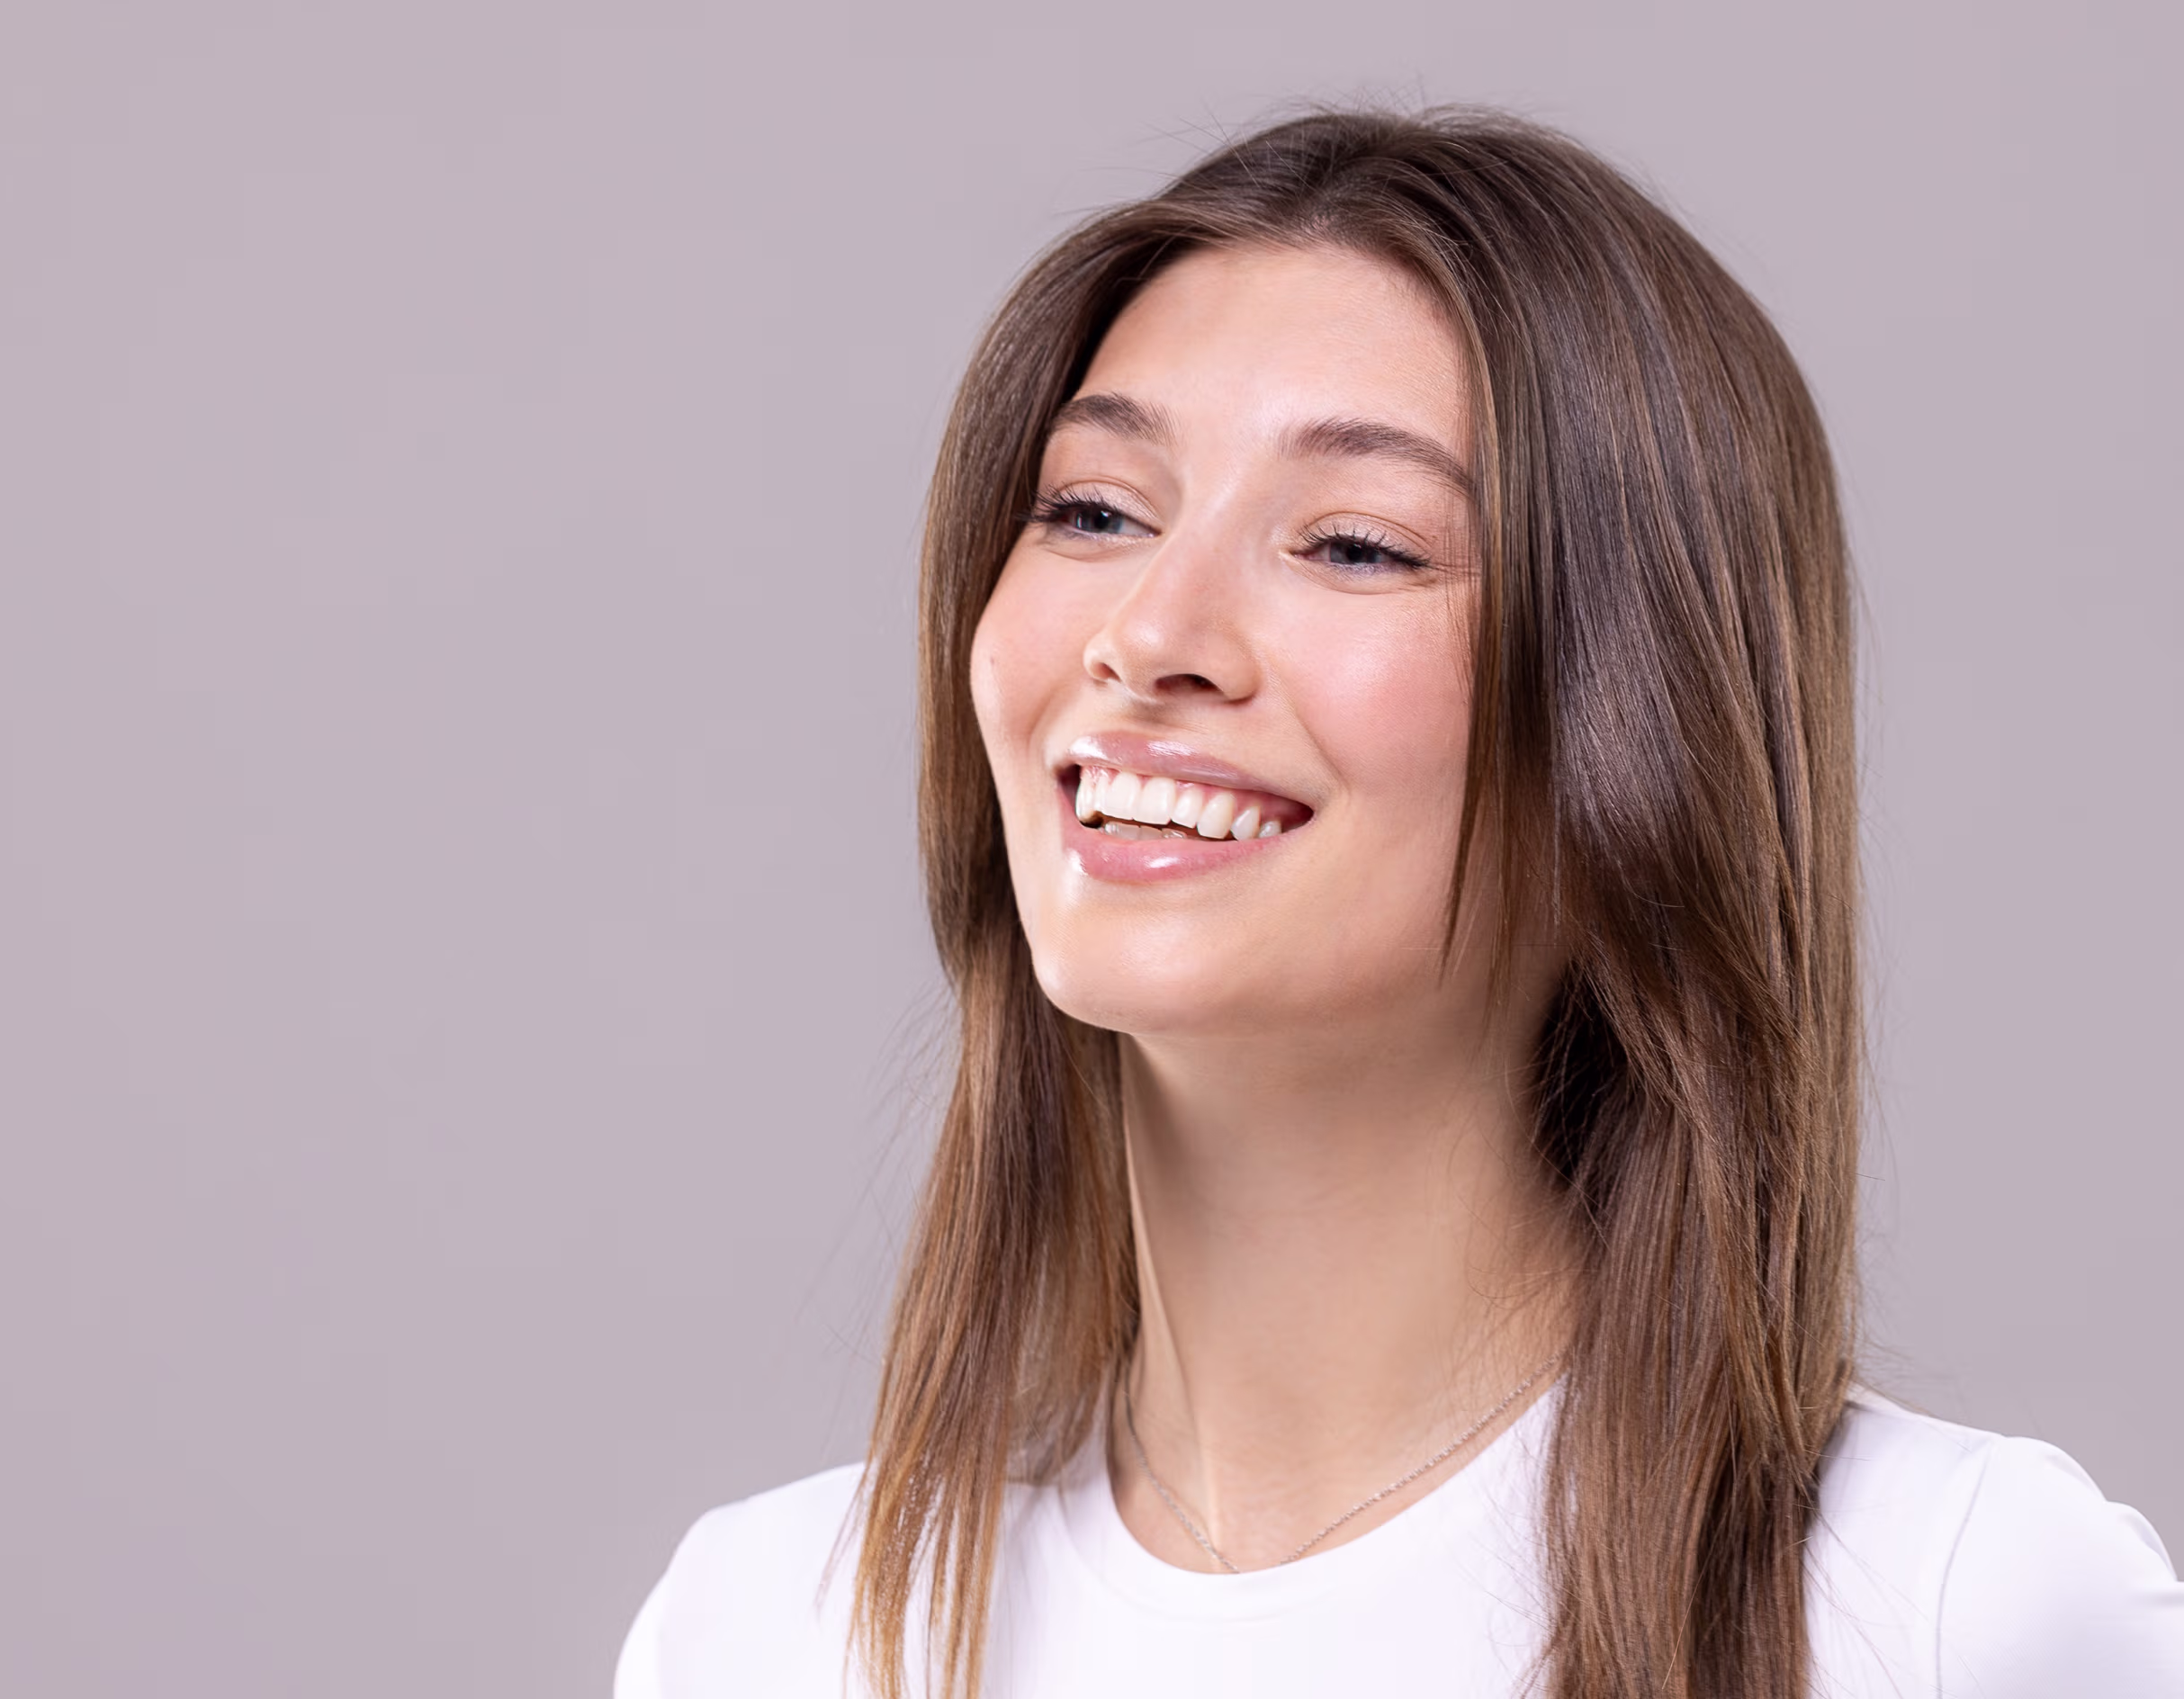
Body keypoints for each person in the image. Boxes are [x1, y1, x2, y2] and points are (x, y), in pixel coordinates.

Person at [613, 107, 2184, 1698]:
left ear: (1638, 730)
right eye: (1093, 510)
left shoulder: (1947, 1612)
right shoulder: (762, 1636)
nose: (1152, 631)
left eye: (1357, 545)